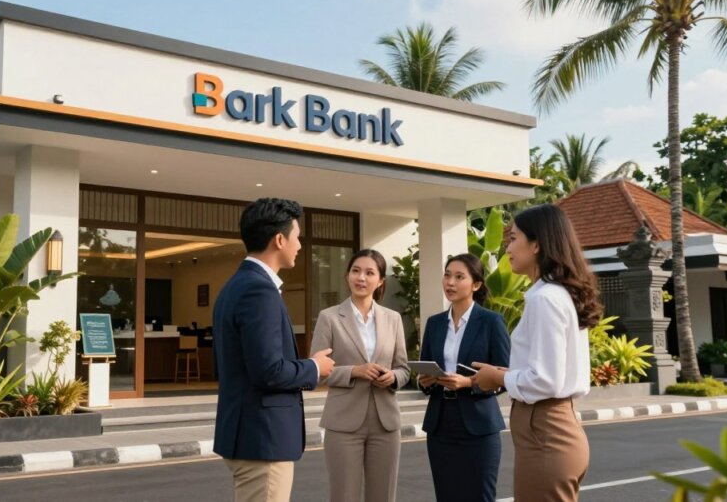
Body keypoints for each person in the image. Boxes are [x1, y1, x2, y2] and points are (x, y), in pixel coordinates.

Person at [472, 204, 601, 502]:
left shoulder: (546, 299)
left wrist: (498, 378)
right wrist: (505, 374)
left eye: (513, 238)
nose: (507, 249)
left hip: (547, 432)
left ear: (537, 244)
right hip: (552, 430)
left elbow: (547, 380)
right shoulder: (555, 295)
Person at [213, 197, 335, 502]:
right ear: (279, 240)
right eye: (297, 236)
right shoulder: (258, 290)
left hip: (250, 435)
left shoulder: (236, 285)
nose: (300, 245)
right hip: (262, 440)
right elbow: (269, 370)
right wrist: (314, 368)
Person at [310, 249, 410, 502]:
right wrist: (355, 371)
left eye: (369, 273)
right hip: (343, 423)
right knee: (344, 496)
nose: (361, 278)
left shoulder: (393, 319)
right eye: (356, 271)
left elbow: (404, 369)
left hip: (385, 422)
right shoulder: (329, 318)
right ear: (347, 277)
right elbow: (317, 371)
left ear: (380, 281)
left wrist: (393, 378)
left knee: (383, 496)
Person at [417, 253, 510, 502]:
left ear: (476, 284)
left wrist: (469, 382)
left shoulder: (491, 322)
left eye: (459, 277)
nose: (450, 282)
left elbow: (505, 375)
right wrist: (424, 381)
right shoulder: (434, 323)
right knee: (447, 496)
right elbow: (426, 366)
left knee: (480, 496)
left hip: (479, 425)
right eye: (447, 275)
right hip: (440, 424)